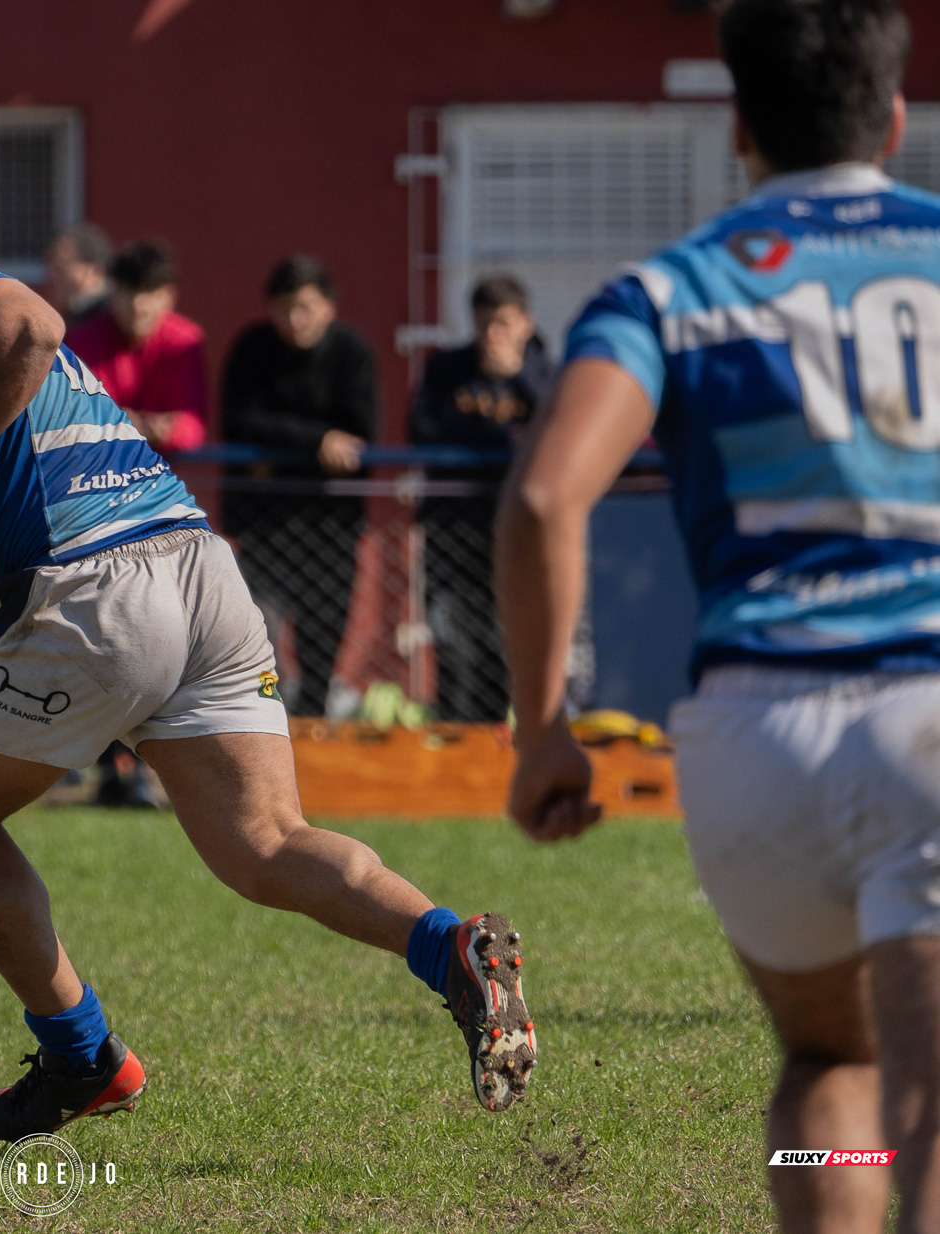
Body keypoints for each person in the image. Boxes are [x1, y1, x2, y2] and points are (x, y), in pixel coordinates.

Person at [0, 146, 536, 1144]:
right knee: (264, 843)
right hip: (193, 569)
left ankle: (81, 1054)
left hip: (99, 593)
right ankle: (453, 948)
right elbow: (6, 524)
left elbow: (30, 323)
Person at [497, 3, 939, 1230]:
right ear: (896, 118)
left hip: (755, 734)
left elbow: (541, 499)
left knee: (827, 1068)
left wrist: (543, 730)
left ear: (738, 123)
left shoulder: (672, 287)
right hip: (932, 711)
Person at [221, 254, 378, 718]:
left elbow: (362, 431)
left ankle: (312, 732)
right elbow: (238, 420)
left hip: (330, 524)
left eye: (306, 306)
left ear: (329, 307)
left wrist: (282, 451)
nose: (295, 319)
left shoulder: (352, 352)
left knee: (322, 641)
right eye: (285, 307)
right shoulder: (252, 348)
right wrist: (317, 443)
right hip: (265, 526)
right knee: (257, 631)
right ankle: (263, 726)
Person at [411, 275, 553, 722]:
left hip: (515, 528)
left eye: (504, 324)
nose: (493, 335)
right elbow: (420, 431)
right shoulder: (446, 369)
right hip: (452, 526)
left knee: (502, 639)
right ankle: (452, 731)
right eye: (484, 324)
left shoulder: (544, 373)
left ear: (526, 324)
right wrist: (485, 431)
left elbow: (560, 432)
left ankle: (495, 736)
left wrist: (517, 379)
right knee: (451, 638)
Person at [64, 238, 208, 453]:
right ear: (112, 292)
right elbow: (76, 414)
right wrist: (133, 425)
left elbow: (193, 425)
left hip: (162, 478)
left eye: (149, 293)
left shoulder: (186, 341)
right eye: (128, 291)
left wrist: (167, 431)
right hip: (97, 473)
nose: (137, 305)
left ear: (169, 296)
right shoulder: (82, 340)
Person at [43, 223, 113, 327]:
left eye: (60, 268)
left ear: (94, 270)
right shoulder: (76, 313)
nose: (51, 276)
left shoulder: (111, 317)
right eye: (51, 267)